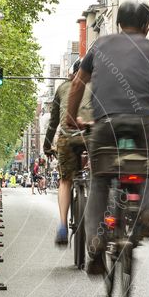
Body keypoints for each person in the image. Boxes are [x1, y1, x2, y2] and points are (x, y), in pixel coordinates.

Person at [65, 0, 149, 275]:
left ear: (117, 24)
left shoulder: (100, 46)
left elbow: (78, 83)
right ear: (146, 26)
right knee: (147, 166)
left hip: (106, 124)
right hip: (142, 123)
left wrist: (70, 116)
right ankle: (144, 217)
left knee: (100, 180)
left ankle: (96, 244)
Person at [43, 58, 95, 245]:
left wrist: (47, 146)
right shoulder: (99, 87)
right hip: (93, 136)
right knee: (100, 177)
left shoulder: (64, 87)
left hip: (68, 135)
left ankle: (63, 226)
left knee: (65, 180)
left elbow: (53, 122)